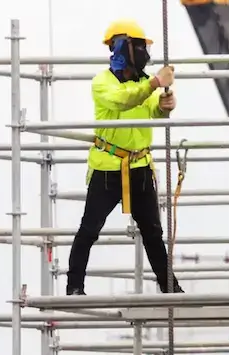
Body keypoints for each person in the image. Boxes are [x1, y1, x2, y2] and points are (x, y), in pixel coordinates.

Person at [66, 20, 185, 297]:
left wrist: (163, 105)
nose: (145, 52)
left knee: (153, 233)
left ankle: (170, 286)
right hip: (108, 167)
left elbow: (148, 109)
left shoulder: (143, 84)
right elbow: (123, 100)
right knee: (90, 229)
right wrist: (156, 83)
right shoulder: (103, 83)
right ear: (123, 46)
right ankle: (74, 286)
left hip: (140, 166)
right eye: (140, 46)